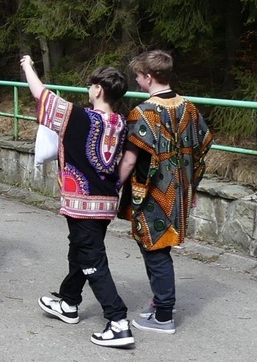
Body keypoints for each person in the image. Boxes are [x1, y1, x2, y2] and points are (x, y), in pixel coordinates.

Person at [20, 55, 134, 348]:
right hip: (105, 201)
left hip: (81, 202)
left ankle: (118, 321)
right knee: (81, 250)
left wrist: (28, 67)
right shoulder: (120, 122)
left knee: (92, 258)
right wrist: (114, 186)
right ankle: (68, 302)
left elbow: (41, 95)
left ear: (98, 90)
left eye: (90, 85)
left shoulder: (80, 117)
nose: (88, 89)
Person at [118, 50, 213, 334]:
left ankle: (163, 314)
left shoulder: (142, 112)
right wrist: (192, 186)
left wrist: (111, 186)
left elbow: (131, 159)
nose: (136, 81)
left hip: (154, 195)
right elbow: (202, 148)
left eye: (137, 76)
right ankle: (160, 302)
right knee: (159, 248)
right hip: (180, 190)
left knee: (155, 250)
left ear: (148, 77)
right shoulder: (189, 107)